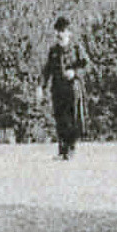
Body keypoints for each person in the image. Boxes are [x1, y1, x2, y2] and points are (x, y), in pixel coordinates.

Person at [39, 17, 90, 160]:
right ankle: (62, 150)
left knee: (72, 119)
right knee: (60, 119)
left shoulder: (76, 48)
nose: (59, 34)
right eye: (58, 31)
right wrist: (41, 87)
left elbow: (86, 66)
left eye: (62, 31)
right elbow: (47, 70)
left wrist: (75, 73)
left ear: (69, 32)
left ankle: (71, 149)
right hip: (57, 90)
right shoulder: (54, 51)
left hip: (72, 89)